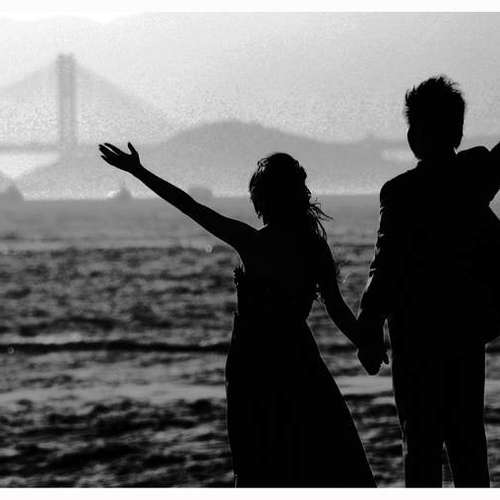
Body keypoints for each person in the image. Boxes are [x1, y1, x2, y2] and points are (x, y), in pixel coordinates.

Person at [98, 145, 376, 487]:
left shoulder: (252, 242)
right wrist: (367, 344)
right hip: (298, 360)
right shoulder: (312, 246)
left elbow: (190, 206)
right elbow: (337, 308)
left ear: (263, 199)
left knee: (259, 459)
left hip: (253, 364)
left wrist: (138, 172)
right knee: (318, 451)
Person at [357, 76, 500, 487]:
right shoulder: (473, 177)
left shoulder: (400, 193)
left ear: (414, 135)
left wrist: (369, 326)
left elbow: (384, 267)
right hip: (464, 334)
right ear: (457, 131)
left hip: (416, 340)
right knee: (468, 444)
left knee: (419, 448)